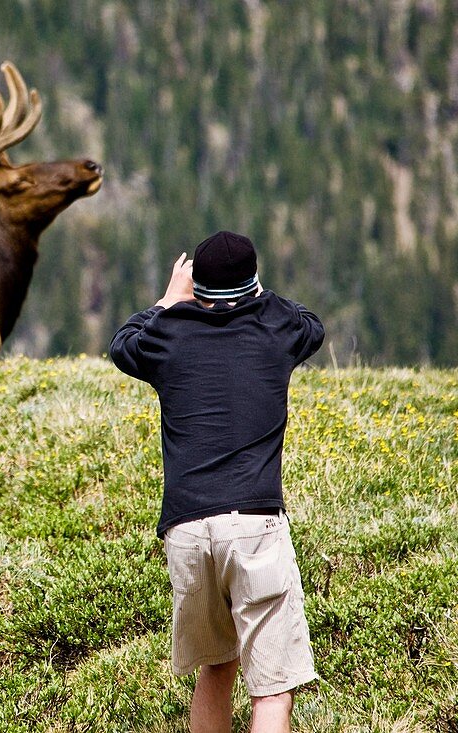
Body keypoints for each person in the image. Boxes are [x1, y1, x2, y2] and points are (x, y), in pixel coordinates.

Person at [109, 231, 325, 733]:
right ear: (253, 284)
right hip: (254, 526)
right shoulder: (276, 330)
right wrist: (257, 293)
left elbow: (123, 346)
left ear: (196, 288)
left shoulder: (168, 336)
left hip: (186, 530)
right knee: (271, 687)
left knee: (216, 666)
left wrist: (167, 300)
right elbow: (311, 325)